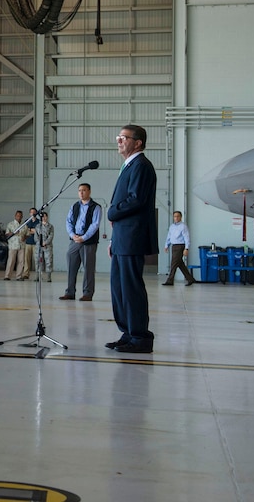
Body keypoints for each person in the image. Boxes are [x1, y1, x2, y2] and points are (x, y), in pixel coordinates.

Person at [106, 124, 157, 353]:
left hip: (132, 237)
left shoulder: (141, 166)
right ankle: (127, 333)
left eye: (124, 138)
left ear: (138, 143)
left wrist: (112, 211)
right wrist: (112, 241)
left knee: (131, 289)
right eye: (118, 137)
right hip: (122, 239)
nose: (119, 141)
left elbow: (135, 200)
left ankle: (140, 337)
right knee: (119, 289)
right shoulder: (129, 165)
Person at [60, 183, 102, 302]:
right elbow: (68, 221)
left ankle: (87, 293)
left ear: (89, 191)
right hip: (75, 240)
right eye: (79, 190)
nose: (81, 192)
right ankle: (70, 292)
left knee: (88, 268)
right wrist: (73, 235)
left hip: (88, 242)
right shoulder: (74, 206)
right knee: (71, 265)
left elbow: (95, 224)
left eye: (84, 190)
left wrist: (84, 237)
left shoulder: (96, 207)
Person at [162, 211, 195, 286]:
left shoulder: (183, 226)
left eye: (178, 216)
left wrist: (187, 248)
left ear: (181, 217)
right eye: (175, 216)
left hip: (180, 246)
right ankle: (190, 279)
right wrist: (166, 245)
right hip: (174, 246)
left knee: (173, 263)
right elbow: (169, 236)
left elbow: (187, 238)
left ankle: (170, 280)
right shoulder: (172, 226)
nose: (176, 218)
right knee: (180, 263)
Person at [4, 211, 29, 280]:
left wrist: (25, 237)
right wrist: (13, 233)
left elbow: (27, 234)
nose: (19, 217)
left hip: (21, 245)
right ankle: (7, 276)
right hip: (13, 245)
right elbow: (6, 234)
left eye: (20, 216)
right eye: (17, 216)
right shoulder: (10, 224)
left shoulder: (24, 225)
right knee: (11, 260)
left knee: (21, 261)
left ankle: (19, 276)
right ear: (15, 216)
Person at [36, 211, 54, 282]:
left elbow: (51, 236)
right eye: (42, 217)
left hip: (47, 246)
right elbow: (36, 236)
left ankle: (48, 277)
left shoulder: (50, 226)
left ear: (47, 217)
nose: (44, 218)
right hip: (39, 246)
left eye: (45, 216)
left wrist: (45, 242)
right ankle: (38, 276)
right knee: (38, 261)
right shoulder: (38, 226)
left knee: (48, 261)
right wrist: (40, 243)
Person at [21, 208, 39, 280]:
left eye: (34, 212)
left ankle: (37, 274)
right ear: (29, 213)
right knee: (27, 259)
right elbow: (25, 231)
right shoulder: (27, 221)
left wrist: (30, 230)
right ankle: (26, 274)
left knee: (36, 260)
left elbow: (38, 231)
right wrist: (32, 230)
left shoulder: (38, 222)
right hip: (28, 242)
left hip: (36, 243)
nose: (33, 213)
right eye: (31, 212)